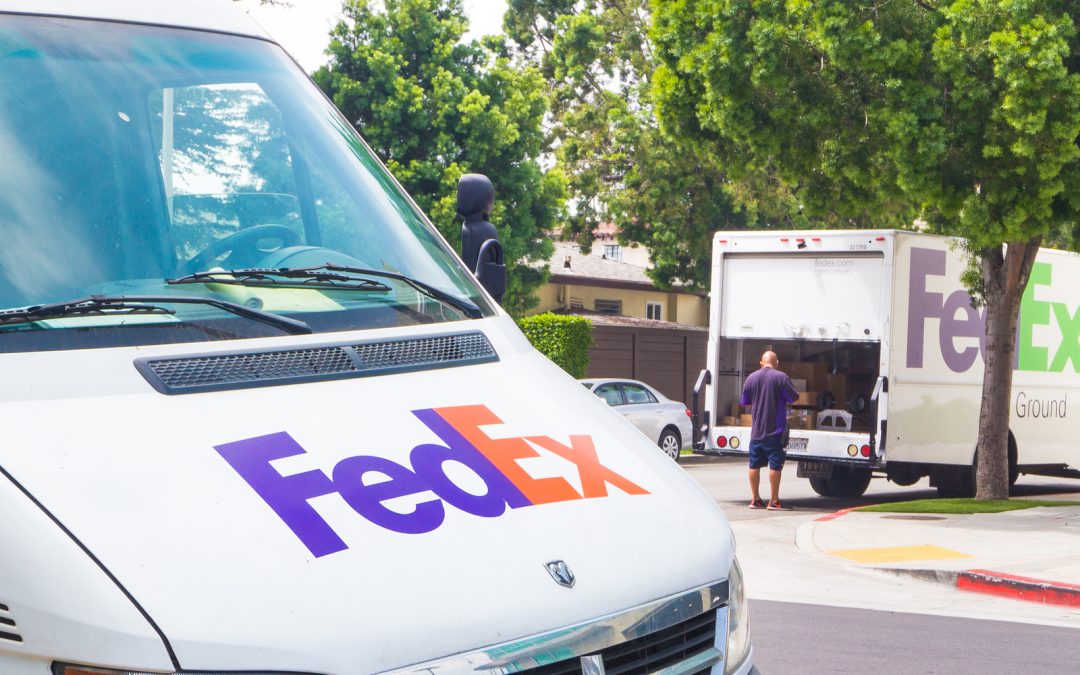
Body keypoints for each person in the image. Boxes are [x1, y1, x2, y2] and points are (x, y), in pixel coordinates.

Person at [740, 351, 799, 510]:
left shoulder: (751, 378)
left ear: (761, 363)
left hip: (757, 430)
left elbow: (745, 401)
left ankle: (755, 499)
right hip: (775, 430)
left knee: (754, 465)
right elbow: (793, 397)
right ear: (777, 362)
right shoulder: (781, 377)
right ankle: (774, 501)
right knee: (775, 465)